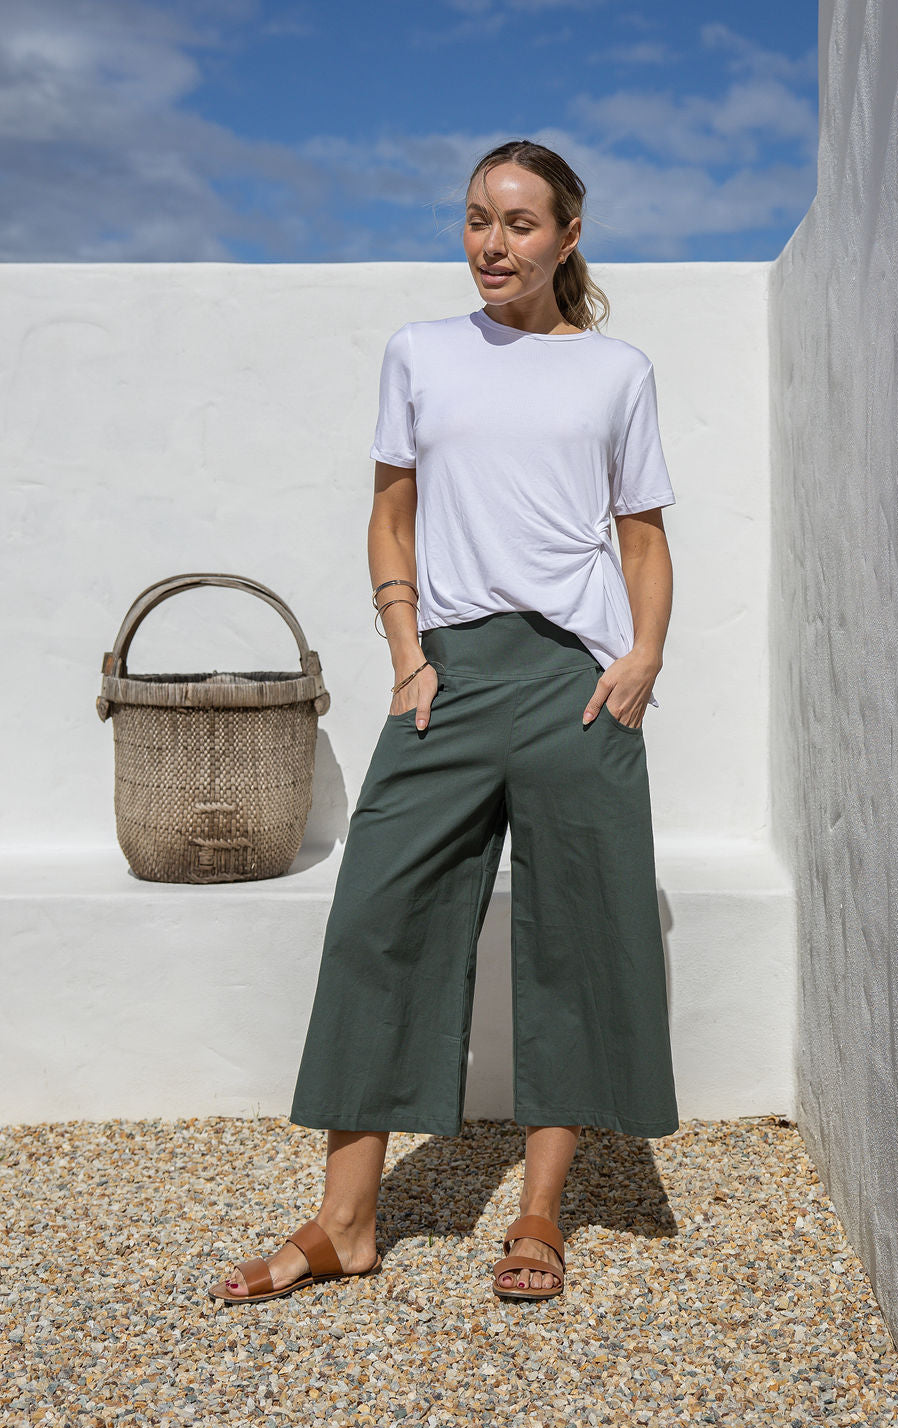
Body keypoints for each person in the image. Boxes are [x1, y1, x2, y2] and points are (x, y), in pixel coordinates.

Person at [208, 138, 679, 1307]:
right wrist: (407, 652)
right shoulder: (420, 354)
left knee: (578, 936)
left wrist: (642, 658)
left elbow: (643, 537)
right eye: (477, 219)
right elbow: (390, 516)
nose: (492, 244)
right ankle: (345, 1219)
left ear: (569, 236)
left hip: (575, 681)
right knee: (379, 918)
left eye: (520, 224)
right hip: (452, 677)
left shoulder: (617, 372)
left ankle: (537, 1212)